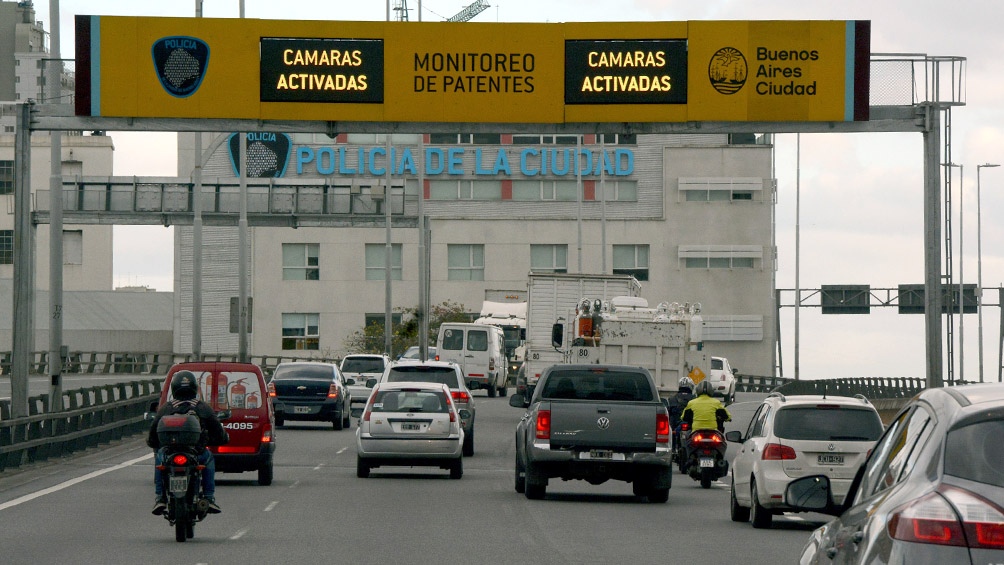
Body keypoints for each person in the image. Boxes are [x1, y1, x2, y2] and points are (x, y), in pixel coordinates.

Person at [147, 370, 229, 516]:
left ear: (174, 388)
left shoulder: (167, 407)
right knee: (209, 458)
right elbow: (217, 429)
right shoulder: (202, 407)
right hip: (196, 453)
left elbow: (153, 432)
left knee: (160, 460)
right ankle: (209, 498)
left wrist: (152, 442)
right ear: (194, 387)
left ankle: (160, 498)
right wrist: (222, 438)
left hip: (169, 452)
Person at [667, 376, 696, 452]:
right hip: (690, 425)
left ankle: (672, 449)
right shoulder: (694, 398)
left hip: (676, 425)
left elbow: (668, 413)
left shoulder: (672, 398)